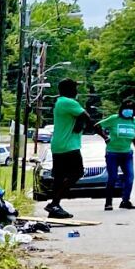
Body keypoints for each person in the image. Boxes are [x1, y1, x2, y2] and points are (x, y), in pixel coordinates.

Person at [45, 78, 102, 220]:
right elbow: (87, 117)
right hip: (69, 146)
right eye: (74, 88)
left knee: (59, 177)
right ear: (68, 89)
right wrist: (104, 136)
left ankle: (54, 207)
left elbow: (79, 118)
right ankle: (54, 203)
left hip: (58, 145)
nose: (77, 91)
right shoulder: (69, 102)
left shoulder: (60, 102)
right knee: (77, 172)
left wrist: (79, 123)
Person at [97, 104, 135, 210]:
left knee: (130, 177)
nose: (129, 110)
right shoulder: (114, 119)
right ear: (121, 109)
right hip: (112, 153)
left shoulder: (134, 121)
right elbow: (97, 126)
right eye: (126, 108)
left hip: (127, 153)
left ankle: (125, 201)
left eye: (131, 108)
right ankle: (108, 203)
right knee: (113, 177)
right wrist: (105, 137)